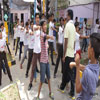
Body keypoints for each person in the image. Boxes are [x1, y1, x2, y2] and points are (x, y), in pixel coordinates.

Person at [70, 33, 100, 100]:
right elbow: (86, 68)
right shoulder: (97, 66)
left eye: (89, 45)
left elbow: (78, 89)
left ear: (92, 50)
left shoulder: (87, 73)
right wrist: (74, 64)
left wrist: (77, 66)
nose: (88, 48)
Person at [58, 9, 76, 99]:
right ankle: (62, 87)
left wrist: (64, 55)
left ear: (68, 15)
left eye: (66, 14)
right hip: (72, 53)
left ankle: (72, 93)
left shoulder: (67, 25)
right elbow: (74, 41)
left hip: (68, 54)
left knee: (69, 73)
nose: (65, 15)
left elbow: (66, 40)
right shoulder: (73, 26)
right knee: (66, 72)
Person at [36, 20, 54, 100]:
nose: (45, 26)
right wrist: (50, 37)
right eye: (44, 25)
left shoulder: (44, 35)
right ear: (41, 26)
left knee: (49, 78)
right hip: (42, 62)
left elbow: (46, 44)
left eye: (46, 25)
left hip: (46, 61)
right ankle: (38, 96)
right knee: (42, 80)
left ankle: (50, 92)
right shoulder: (42, 35)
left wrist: (46, 46)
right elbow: (45, 37)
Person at [28, 13, 41, 90]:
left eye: (38, 18)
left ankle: (44, 79)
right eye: (36, 18)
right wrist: (41, 26)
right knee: (33, 67)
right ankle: (30, 83)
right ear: (35, 19)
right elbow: (35, 28)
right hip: (35, 51)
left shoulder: (41, 28)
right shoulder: (35, 26)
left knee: (43, 66)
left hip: (41, 51)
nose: (38, 19)